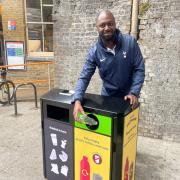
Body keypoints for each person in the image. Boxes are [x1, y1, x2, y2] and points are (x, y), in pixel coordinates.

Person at [73, 10, 145, 121]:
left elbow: (139, 69)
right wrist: (77, 99)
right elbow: (84, 76)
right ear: (97, 28)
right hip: (107, 98)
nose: (106, 28)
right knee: (108, 132)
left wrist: (134, 92)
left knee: (126, 134)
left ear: (115, 24)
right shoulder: (94, 51)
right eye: (102, 25)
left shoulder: (130, 43)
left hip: (129, 98)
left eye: (110, 24)